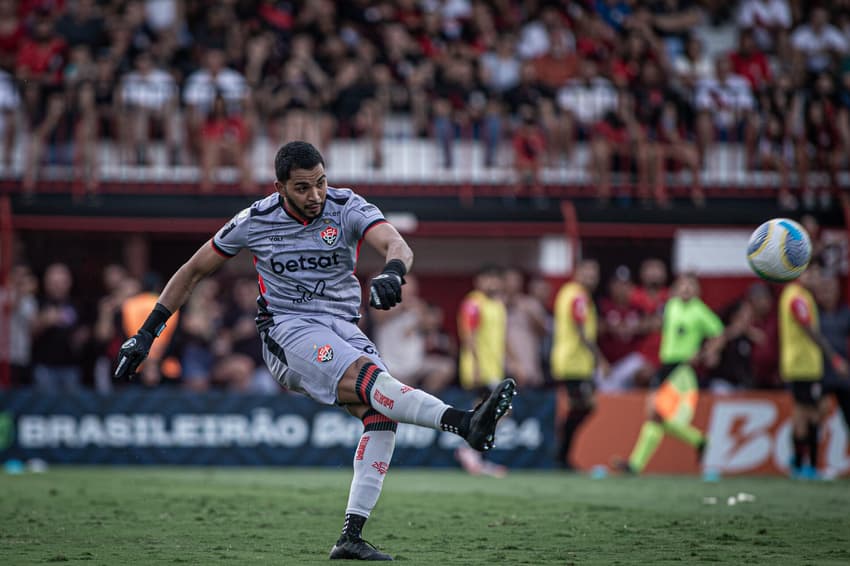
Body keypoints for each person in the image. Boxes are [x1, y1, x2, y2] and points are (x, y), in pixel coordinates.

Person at [114, 141, 516, 561]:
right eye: (303, 188)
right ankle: (465, 423)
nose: (316, 196)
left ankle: (351, 537)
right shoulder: (256, 220)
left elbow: (398, 245)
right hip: (287, 331)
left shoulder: (345, 206)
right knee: (373, 381)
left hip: (342, 328)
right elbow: (193, 269)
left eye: (321, 183)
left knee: (381, 414)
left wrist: (392, 273)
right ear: (280, 188)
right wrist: (147, 333)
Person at [617, 273, 724, 474]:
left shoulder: (700, 311)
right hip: (665, 366)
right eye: (683, 286)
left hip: (682, 370)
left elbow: (718, 334)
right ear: (675, 289)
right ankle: (698, 441)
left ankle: (636, 464)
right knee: (654, 417)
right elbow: (658, 324)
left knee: (657, 416)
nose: (686, 290)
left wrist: (705, 353)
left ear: (697, 291)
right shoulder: (671, 306)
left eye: (690, 286)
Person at [779, 266, 848, 478]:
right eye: (811, 274)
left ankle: (801, 464)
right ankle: (803, 465)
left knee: (810, 412)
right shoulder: (797, 297)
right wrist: (834, 357)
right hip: (802, 366)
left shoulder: (802, 296)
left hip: (805, 366)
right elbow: (809, 330)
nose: (815, 279)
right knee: (807, 414)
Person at [454, 265, 512, 478]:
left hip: (493, 368)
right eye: (488, 279)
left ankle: (472, 453)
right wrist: (477, 366)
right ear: (479, 281)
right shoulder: (474, 303)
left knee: (494, 412)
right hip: (479, 368)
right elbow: (468, 335)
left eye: (495, 280)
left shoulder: (498, 305)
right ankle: (470, 451)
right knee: (492, 411)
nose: (492, 284)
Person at [550, 259, 605, 470]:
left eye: (594, 274)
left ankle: (562, 453)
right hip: (573, 362)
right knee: (586, 405)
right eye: (587, 272)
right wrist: (600, 359)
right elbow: (581, 330)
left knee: (581, 406)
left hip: (574, 362)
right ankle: (561, 450)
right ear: (577, 273)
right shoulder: (578, 296)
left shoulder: (569, 293)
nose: (591, 277)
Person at [816, 273, 850, 432]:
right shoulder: (814, 314)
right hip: (819, 375)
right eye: (823, 289)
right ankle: (811, 455)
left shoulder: (845, 314)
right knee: (815, 420)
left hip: (843, 376)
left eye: (830, 289)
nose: (827, 293)